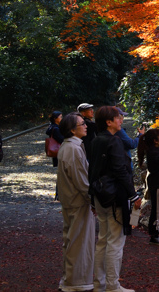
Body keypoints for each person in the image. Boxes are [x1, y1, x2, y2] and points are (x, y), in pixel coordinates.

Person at [87, 106, 137, 292]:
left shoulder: (96, 140)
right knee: (116, 241)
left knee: (103, 240)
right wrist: (133, 194)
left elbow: (92, 170)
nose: (121, 121)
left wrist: (92, 197)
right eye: (118, 118)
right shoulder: (114, 141)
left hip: (100, 195)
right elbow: (121, 171)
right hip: (115, 196)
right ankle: (112, 285)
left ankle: (99, 284)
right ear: (109, 121)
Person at [57, 113, 94, 292]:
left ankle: (71, 278)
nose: (85, 125)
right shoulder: (73, 148)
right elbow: (80, 178)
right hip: (77, 201)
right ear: (72, 129)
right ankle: (75, 281)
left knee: (73, 239)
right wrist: (92, 198)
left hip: (71, 199)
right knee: (78, 241)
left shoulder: (70, 146)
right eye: (82, 123)